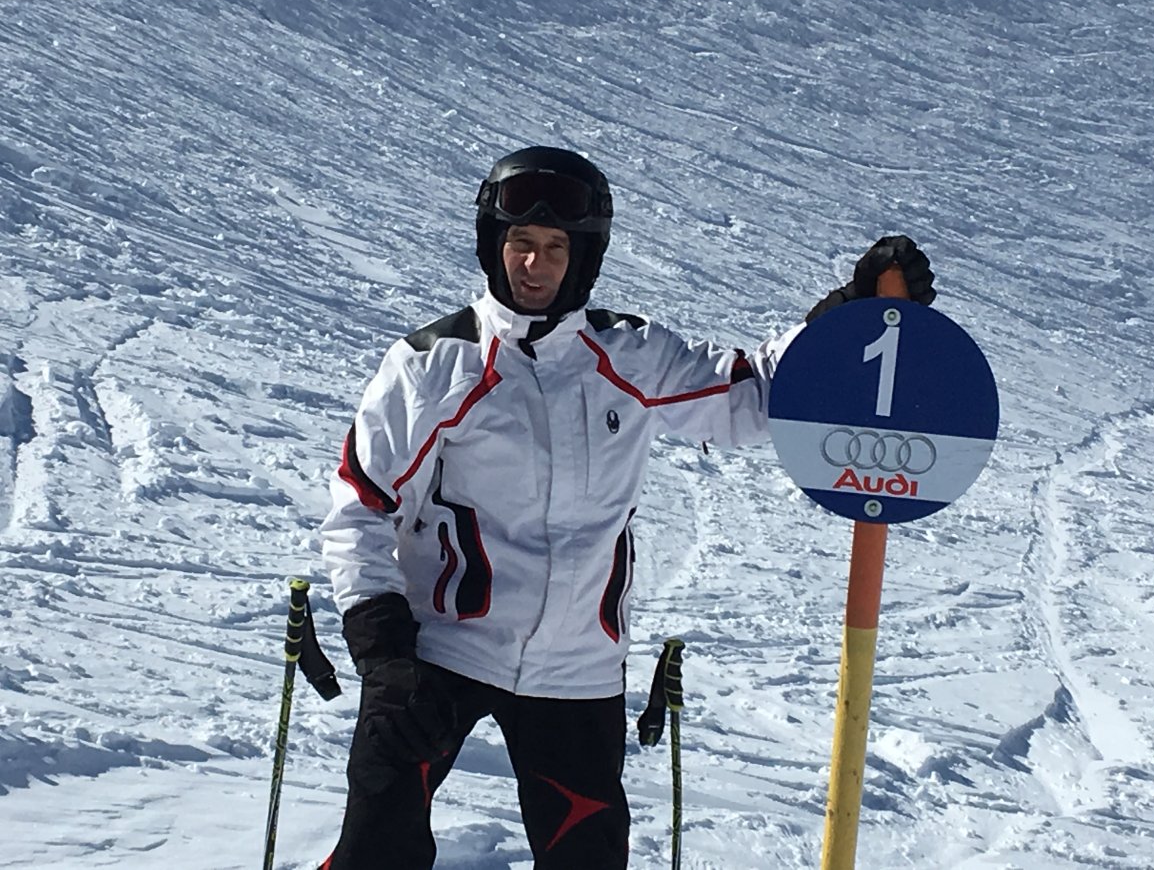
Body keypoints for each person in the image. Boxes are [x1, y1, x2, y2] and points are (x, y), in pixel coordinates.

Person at [318, 145, 936, 869]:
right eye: (520, 243)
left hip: (576, 670)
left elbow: (749, 396)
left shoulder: (628, 354)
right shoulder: (434, 365)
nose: (534, 264)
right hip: (439, 654)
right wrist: (385, 655)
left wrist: (845, 321)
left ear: (584, 257)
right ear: (493, 245)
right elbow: (362, 506)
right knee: (375, 854)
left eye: (555, 248)